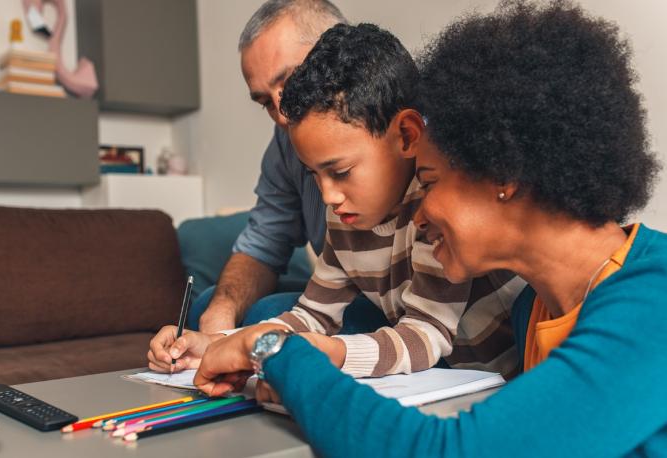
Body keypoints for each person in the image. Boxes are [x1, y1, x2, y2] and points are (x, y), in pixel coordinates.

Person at [193, 2, 667, 456]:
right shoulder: (535, 309)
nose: (417, 215)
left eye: (429, 180)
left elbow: (443, 451)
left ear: (504, 174)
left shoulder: (653, 301)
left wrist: (272, 347)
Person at [149, 23, 525, 380]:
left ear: (407, 136)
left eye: (341, 172)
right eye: (314, 174)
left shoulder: (433, 207)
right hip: (436, 379)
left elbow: (426, 335)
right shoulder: (346, 219)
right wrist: (221, 344)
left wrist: (333, 352)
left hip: (493, 380)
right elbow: (313, 313)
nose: (327, 196)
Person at [184, 0, 396, 335]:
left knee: (264, 316)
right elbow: (264, 243)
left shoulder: (400, 124)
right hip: (336, 296)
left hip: (405, 310)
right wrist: (219, 322)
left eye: (293, 80)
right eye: (266, 101)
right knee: (209, 305)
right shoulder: (285, 146)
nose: (283, 115)